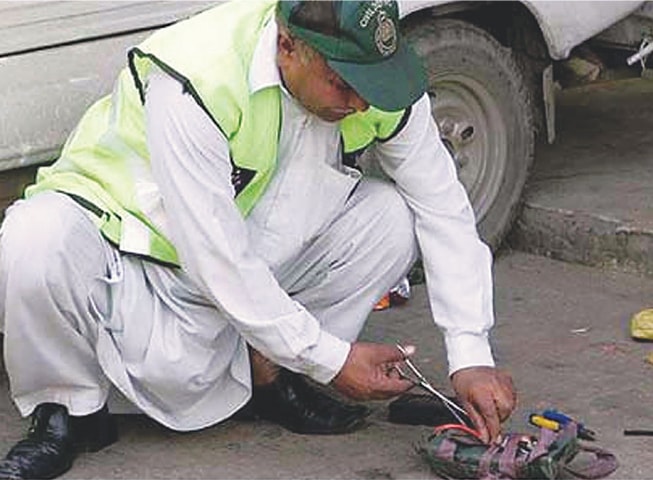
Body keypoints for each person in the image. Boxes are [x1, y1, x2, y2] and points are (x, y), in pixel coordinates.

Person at [0, 0, 516, 478]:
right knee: (34, 235)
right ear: (287, 45)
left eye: (371, 83)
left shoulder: (372, 87)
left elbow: (443, 207)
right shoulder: (196, 76)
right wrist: (333, 359)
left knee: (392, 218)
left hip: (243, 250)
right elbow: (215, 255)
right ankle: (68, 410)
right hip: (139, 250)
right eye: (342, 83)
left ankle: (268, 372)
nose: (361, 102)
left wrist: (470, 354)